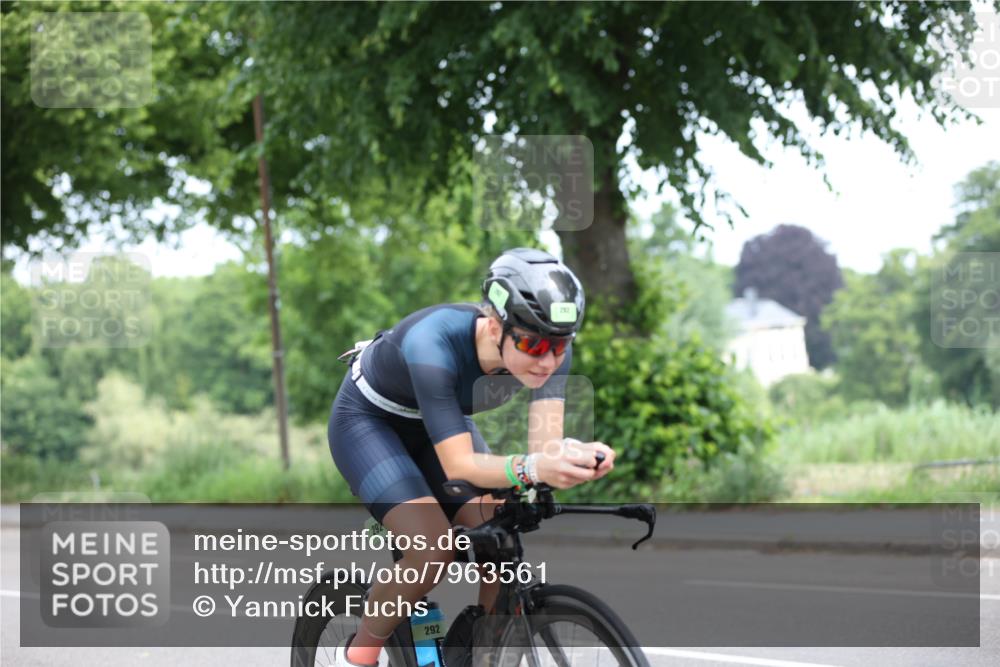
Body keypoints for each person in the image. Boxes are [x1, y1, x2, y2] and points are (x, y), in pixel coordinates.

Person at [328, 247, 615, 667]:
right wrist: (531, 467)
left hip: (438, 426)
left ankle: (483, 654)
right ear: (495, 324)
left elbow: (543, 449)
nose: (548, 360)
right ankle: (358, 656)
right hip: (369, 424)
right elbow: (460, 465)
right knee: (431, 551)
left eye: (559, 346)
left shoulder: (550, 348)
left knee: (500, 537)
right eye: (532, 345)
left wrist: (571, 459)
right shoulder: (434, 343)